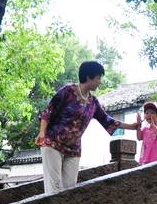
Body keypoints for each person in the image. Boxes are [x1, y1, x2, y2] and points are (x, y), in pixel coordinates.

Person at [36, 61, 141, 194]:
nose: (100, 82)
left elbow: (108, 121)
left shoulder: (93, 102)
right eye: (98, 78)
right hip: (52, 143)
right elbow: (48, 112)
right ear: (88, 77)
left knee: (69, 188)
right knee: (54, 187)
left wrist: (133, 126)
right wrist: (42, 133)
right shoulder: (67, 91)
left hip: (73, 149)